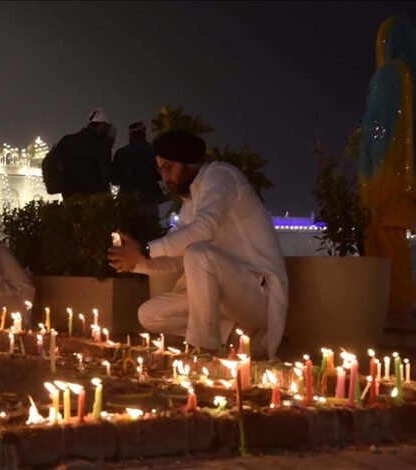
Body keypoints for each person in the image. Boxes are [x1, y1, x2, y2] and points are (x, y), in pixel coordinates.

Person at [108, 131, 288, 358]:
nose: (164, 177)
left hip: (258, 294)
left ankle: (205, 351)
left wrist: (145, 250)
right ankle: (237, 336)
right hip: (225, 298)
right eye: (160, 169)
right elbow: (175, 261)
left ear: (188, 162)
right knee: (149, 314)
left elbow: (204, 229)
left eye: (168, 167)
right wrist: (135, 262)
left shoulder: (220, 176)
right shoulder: (190, 201)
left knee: (199, 253)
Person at [358, 16, 416, 324]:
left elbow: (377, 128)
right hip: (407, 181)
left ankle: (391, 310)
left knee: (381, 247)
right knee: (395, 248)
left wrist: (370, 170)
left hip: (384, 182)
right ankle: (399, 308)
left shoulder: (388, 75)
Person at [43, 108, 116, 199]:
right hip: (95, 204)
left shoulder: (67, 140)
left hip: (70, 199)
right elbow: (106, 176)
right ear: (102, 125)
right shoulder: (102, 145)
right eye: (107, 127)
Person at [111, 121, 164, 218]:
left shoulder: (122, 153)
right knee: (151, 230)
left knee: (127, 231)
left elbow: (115, 180)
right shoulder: (154, 151)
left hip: (127, 200)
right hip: (150, 199)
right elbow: (162, 174)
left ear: (130, 135)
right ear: (144, 134)